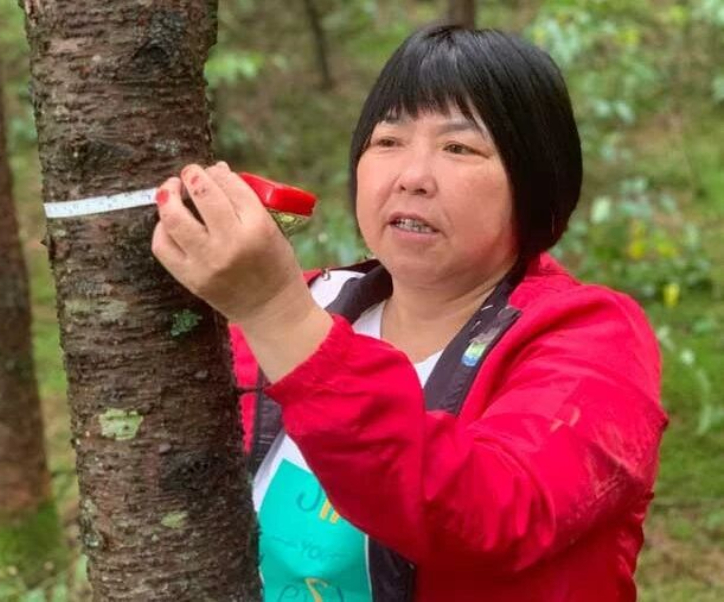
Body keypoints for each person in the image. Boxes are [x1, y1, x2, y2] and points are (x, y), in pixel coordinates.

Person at [151, 24, 667, 602]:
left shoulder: (593, 338)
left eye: (459, 148)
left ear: (536, 179)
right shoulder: (313, 300)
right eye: (388, 140)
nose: (412, 177)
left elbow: (495, 515)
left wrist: (275, 311)